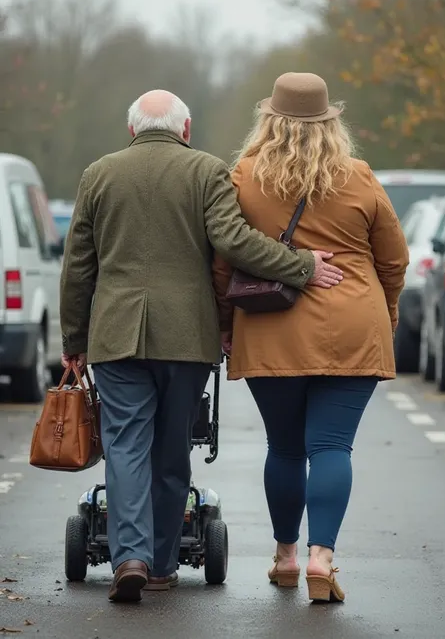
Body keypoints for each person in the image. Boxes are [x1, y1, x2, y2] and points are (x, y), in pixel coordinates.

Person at [59, 88, 344, 603]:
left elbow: (79, 265)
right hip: (186, 338)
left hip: (116, 336)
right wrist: (302, 267)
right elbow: (233, 242)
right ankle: (164, 565)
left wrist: (74, 339)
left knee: (124, 446)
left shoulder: (98, 174)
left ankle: (130, 557)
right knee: (172, 450)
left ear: (131, 131)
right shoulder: (208, 172)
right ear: (184, 130)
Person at [213, 72, 409, 603]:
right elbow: (393, 259)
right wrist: (385, 312)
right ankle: (323, 558)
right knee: (331, 446)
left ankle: (285, 557)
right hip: (352, 325)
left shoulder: (245, 177)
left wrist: (227, 325)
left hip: (271, 328)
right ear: (331, 123)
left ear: (269, 120)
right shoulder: (359, 176)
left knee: (284, 447)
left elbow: (222, 260)